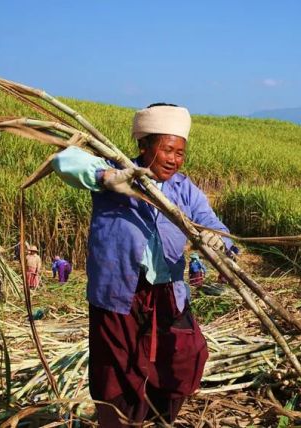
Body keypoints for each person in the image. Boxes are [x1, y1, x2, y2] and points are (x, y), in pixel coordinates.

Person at [51, 103, 236, 426]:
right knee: (117, 367)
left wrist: (220, 241)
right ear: (143, 146)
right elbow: (64, 160)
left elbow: (210, 222)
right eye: (167, 149)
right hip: (117, 290)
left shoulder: (184, 189)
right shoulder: (117, 171)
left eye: (180, 152)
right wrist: (108, 177)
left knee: (185, 356)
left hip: (167, 291)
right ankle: (120, 422)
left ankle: (158, 419)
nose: (174, 159)